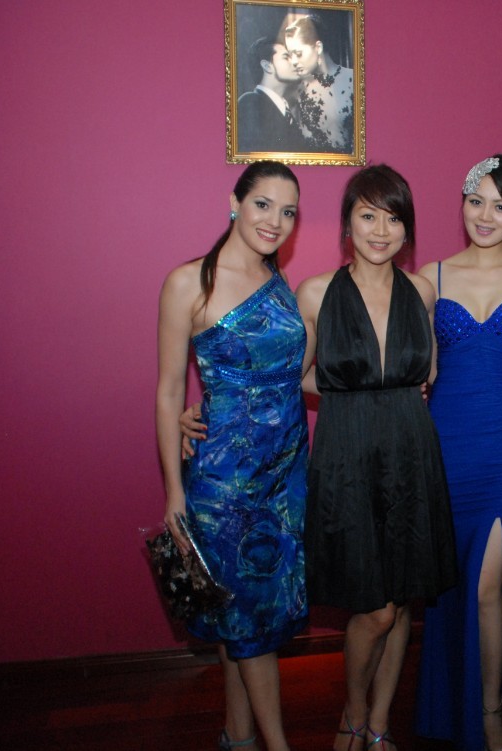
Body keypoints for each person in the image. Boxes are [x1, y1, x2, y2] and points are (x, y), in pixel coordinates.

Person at [298, 165, 458, 751]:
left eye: (394, 218)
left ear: (408, 228)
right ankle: (354, 712)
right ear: (347, 223)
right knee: (376, 609)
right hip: (346, 455)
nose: (381, 230)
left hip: (411, 452)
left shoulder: (424, 291)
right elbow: (296, 378)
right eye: (368, 216)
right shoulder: (316, 293)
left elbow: (430, 371)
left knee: (402, 600)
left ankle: (381, 721)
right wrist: (354, 393)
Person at [155, 160, 308, 751]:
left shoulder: (277, 279)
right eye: (263, 204)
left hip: (286, 474)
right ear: (235, 202)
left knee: (241, 620)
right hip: (227, 483)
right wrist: (174, 493)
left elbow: (287, 374)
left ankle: (237, 736)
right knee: (250, 628)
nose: (275, 221)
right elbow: (170, 390)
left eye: (288, 212)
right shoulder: (187, 282)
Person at [414, 155, 502, 751]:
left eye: (501, 206)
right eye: (476, 201)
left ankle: (493, 709)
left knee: (485, 586)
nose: (485, 215)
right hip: (447, 443)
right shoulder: (430, 277)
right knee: (454, 582)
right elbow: (399, 356)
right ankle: (458, 703)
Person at [284, 14, 355, 154]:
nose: (294, 61)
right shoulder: (296, 89)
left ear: (318, 47)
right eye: (290, 55)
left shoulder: (353, 80)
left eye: (298, 53)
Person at [236, 37, 306, 153]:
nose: (295, 62)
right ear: (267, 66)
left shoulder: (288, 112)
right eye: (286, 57)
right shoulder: (249, 103)